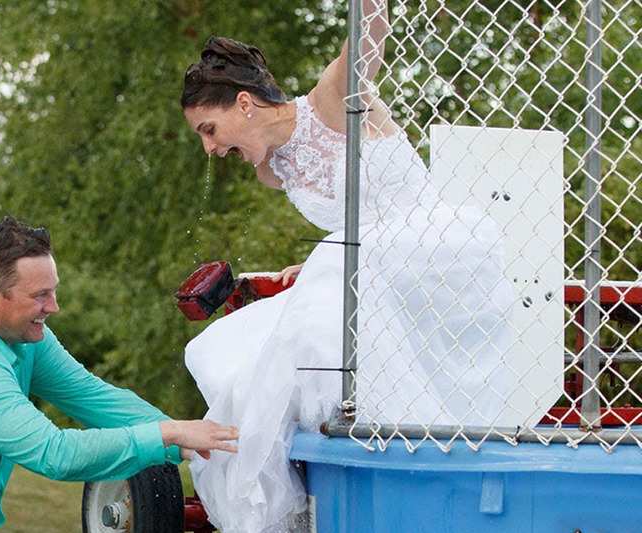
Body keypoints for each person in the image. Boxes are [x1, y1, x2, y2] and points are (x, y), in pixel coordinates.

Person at [180, 1, 515, 531]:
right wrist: (315, 261)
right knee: (224, 354)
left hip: (432, 249)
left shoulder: (333, 101)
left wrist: (329, 261)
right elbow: (351, 223)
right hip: (367, 270)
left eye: (209, 128)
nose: (210, 148)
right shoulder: (274, 171)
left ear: (244, 104)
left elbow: (372, 29)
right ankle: (309, 498)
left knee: (315, 303)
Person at [0, 215, 239, 532]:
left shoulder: (25, 338)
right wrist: (167, 435)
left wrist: (192, 439)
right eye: (40, 296)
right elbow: (54, 454)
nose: (55, 307)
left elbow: (94, 397)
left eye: (53, 290)